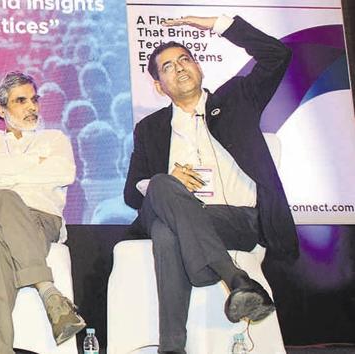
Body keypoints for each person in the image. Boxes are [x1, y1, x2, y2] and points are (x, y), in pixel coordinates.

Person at [123, 16, 299, 353]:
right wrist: (166, 183)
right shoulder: (150, 128)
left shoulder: (238, 98)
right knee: (160, 189)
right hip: (182, 211)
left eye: (185, 59)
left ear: (199, 66)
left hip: (236, 220)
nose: (180, 69)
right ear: (159, 86)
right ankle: (234, 279)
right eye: (168, 67)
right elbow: (132, 193)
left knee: (165, 230)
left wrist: (217, 24)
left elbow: (278, 55)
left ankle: (172, 347)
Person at [0, 71, 86, 354]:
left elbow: (63, 172)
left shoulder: (55, 139)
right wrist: (34, 164)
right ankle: (47, 289)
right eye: (21, 101)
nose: (32, 107)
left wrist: (5, 170)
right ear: (1, 109)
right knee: (6, 198)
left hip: (41, 219)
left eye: (34, 99)